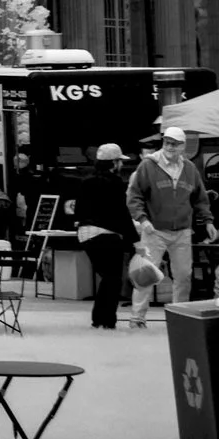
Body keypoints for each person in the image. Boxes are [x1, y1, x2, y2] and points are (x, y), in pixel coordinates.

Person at [127, 130, 212, 317]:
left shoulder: (189, 169)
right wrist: (143, 219)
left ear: (183, 146)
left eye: (174, 144)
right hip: (154, 230)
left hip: (182, 231)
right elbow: (134, 196)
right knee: (146, 275)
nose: (170, 147)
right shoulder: (148, 165)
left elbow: (200, 198)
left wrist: (208, 221)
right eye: (167, 143)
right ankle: (137, 317)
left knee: (183, 276)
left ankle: (179, 317)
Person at [72, 142, 135, 333]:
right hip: (107, 235)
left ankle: (100, 318)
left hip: (85, 235)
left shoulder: (85, 181)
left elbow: (78, 210)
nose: (121, 165)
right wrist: (134, 239)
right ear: (114, 163)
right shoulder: (115, 183)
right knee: (113, 278)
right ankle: (106, 320)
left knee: (107, 277)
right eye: (119, 161)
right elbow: (121, 213)